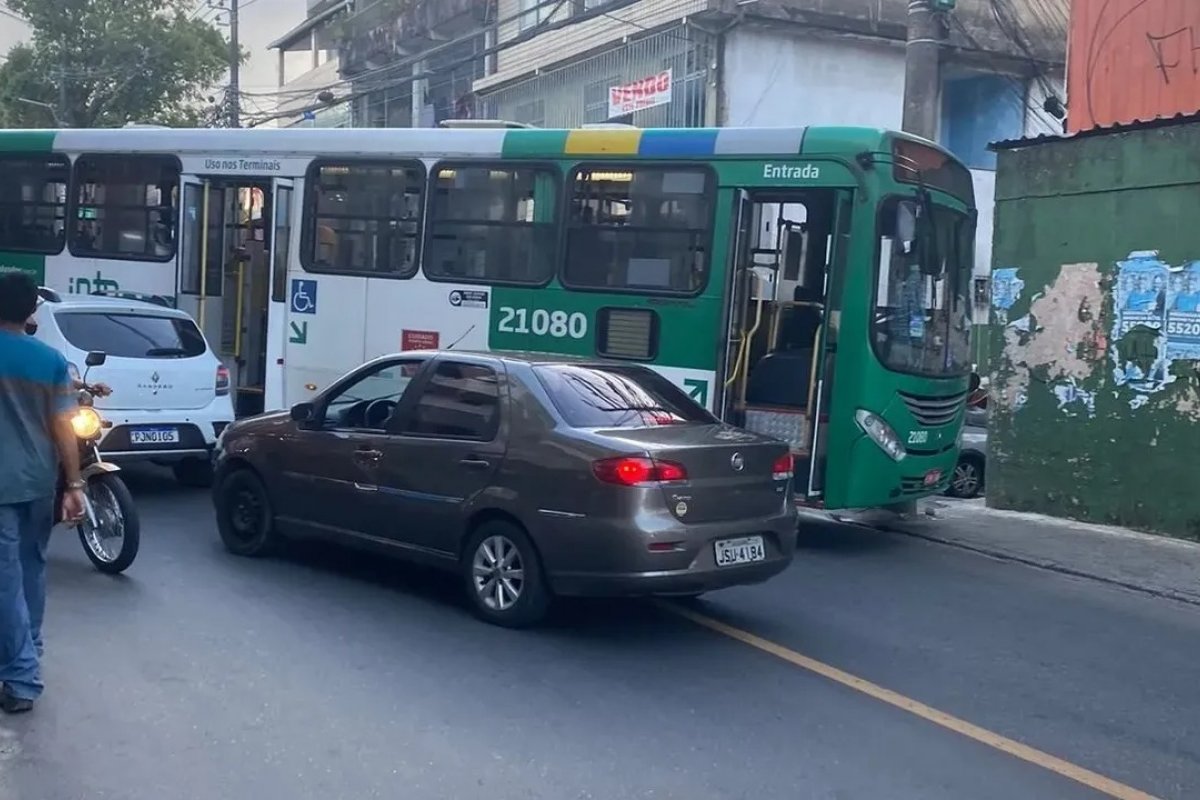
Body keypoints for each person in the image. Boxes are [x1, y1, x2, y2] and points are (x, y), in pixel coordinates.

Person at [0, 270, 86, 714]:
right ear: (31, 310)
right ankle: (28, 649)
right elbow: (64, 428)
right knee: (31, 569)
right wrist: (73, 484)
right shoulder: (50, 360)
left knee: (6, 581)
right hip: (38, 481)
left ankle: (21, 676)